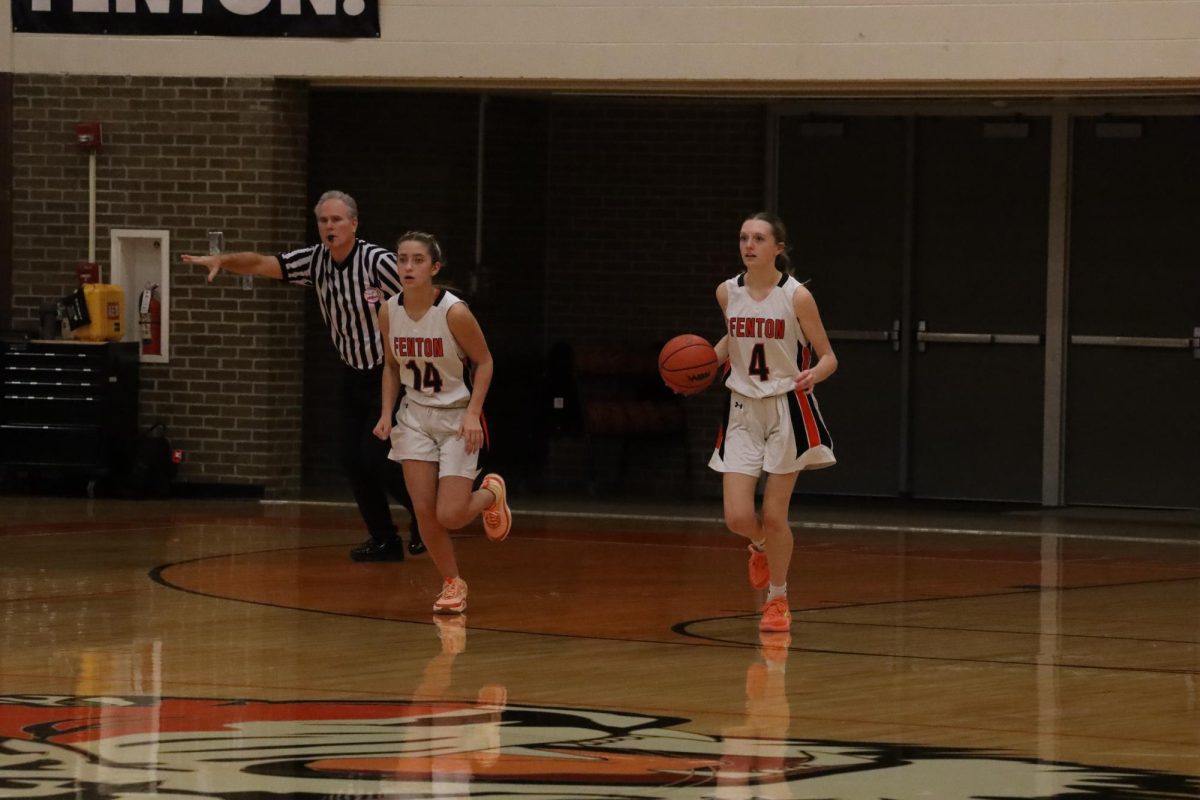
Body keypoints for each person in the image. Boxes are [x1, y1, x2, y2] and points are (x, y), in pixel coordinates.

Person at [181, 190, 423, 562]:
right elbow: (262, 263)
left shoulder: (376, 261)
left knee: (376, 455)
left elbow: (419, 292)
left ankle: (425, 518)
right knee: (350, 459)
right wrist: (223, 260)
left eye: (337, 219)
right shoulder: (314, 261)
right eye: (324, 220)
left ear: (354, 224)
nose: (329, 226)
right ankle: (384, 540)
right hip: (352, 373)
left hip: (389, 374)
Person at [708, 211, 837, 633]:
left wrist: (813, 374)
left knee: (774, 512)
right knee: (737, 517)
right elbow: (733, 338)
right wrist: (701, 364)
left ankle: (777, 598)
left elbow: (829, 357)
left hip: (787, 406)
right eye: (744, 237)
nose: (749, 245)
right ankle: (760, 546)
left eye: (759, 238)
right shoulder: (728, 292)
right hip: (743, 407)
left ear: (778, 248)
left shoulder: (797, 297)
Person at [372, 231, 512, 615]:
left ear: (434, 268)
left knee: (449, 514)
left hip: (455, 416)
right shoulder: (388, 311)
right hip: (414, 416)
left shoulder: (454, 312)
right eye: (402, 259)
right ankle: (453, 583)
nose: (408, 267)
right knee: (423, 511)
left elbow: (485, 362)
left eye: (417, 260)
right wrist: (386, 413)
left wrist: (472, 414)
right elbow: (389, 366)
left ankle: (490, 494)